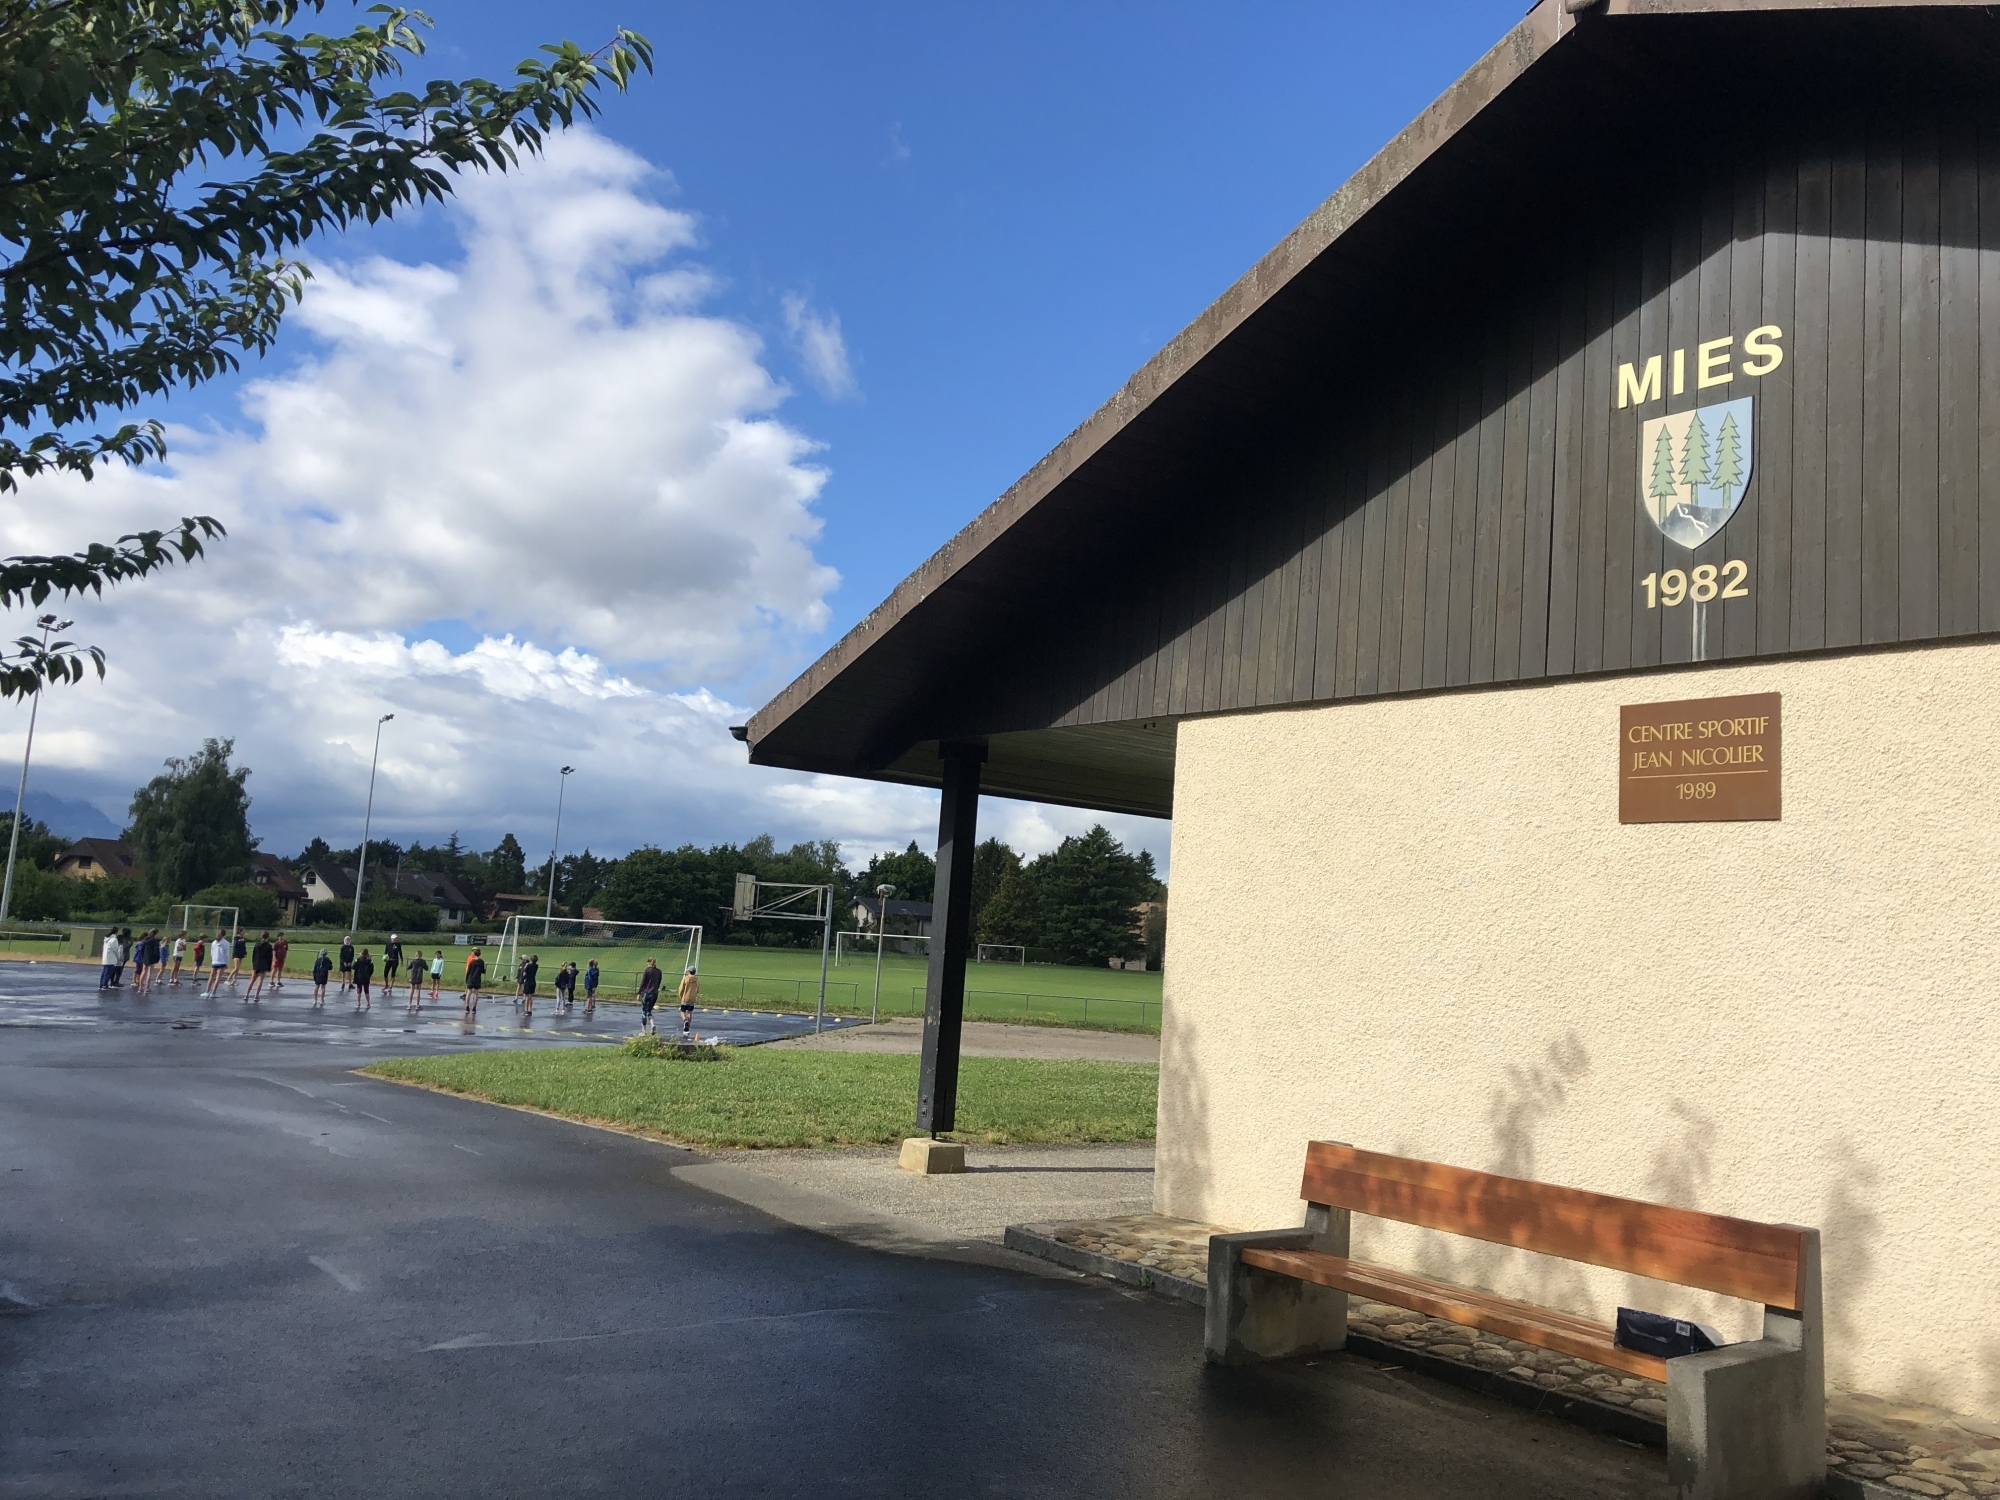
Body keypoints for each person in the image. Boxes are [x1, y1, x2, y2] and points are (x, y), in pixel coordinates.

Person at [636, 958, 662, 1033]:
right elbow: (659, 982)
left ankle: (643, 1030)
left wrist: (639, 993)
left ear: (649, 963)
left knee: (644, 1011)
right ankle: (652, 1024)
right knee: (649, 1011)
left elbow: (643, 982)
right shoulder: (659, 971)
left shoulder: (647, 971)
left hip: (647, 993)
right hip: (654, 993)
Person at [247, 932, 273, 1002]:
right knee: (260, 981)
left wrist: (253, 964)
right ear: (268, 937)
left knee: (252, 980)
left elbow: (253, 955)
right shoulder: (269, 946)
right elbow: (270, 957)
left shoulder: (257, 944)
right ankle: (256, 996)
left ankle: (246, 995)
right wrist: (269, 967)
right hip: (263, 965)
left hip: (256, 964)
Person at [204, 931, 230, 997]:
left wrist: (212, 960)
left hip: (216, 961)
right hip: (220, 962)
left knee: (212, 977)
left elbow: (212, 953)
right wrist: (226, 962)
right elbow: (226, 954)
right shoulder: (225, 943)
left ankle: (208, 992)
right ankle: (212, 992)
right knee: (216, 977)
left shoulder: (214, 942)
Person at [677, 965, 700, 1038]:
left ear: (689, 972)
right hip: (692, 999)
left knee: (682, 1011)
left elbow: (681, 988)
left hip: (685, 997)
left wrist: (681, 996)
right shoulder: (696, 980)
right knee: (689, 1012)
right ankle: (687, 1029)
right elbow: (698, 989)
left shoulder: (685, 979)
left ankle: (685, 1021)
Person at [462, 947, 486, 1015]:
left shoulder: (471, 962)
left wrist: (466, 979)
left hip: (470, 978)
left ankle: (467, 1007)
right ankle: (474, 1008)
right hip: (477, 979)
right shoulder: (481, 962)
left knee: (468, 993)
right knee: (476, 994)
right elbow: (483, 971)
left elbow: (468, 971)